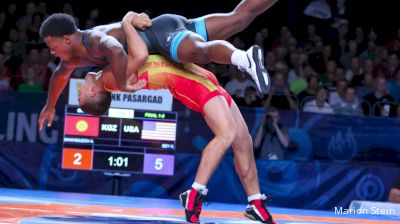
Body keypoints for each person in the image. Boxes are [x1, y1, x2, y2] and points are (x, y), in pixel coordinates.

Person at [77, 12, 275, 224]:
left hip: (198, 77)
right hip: (191, 84)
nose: (81, 86)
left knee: (243, 140)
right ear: (92, 93)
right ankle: (195, 193)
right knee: (227, 134)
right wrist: (126, 21)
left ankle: (255, 203)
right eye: (81, 91)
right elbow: (140, 55)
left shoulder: (110, 75)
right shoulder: (109, 79)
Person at [38, 0, 279, 129]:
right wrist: (50, 106)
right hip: (164, 30)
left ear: (67, 38)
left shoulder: (95, 40)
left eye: (52, 45)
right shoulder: (74, 57)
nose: (52, 52)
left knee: (199, 52)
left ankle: (244, 59)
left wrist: (123, 83)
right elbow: (60, 74)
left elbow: (116, 49)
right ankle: (242, 57)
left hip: (160, 36)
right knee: (238, 19)